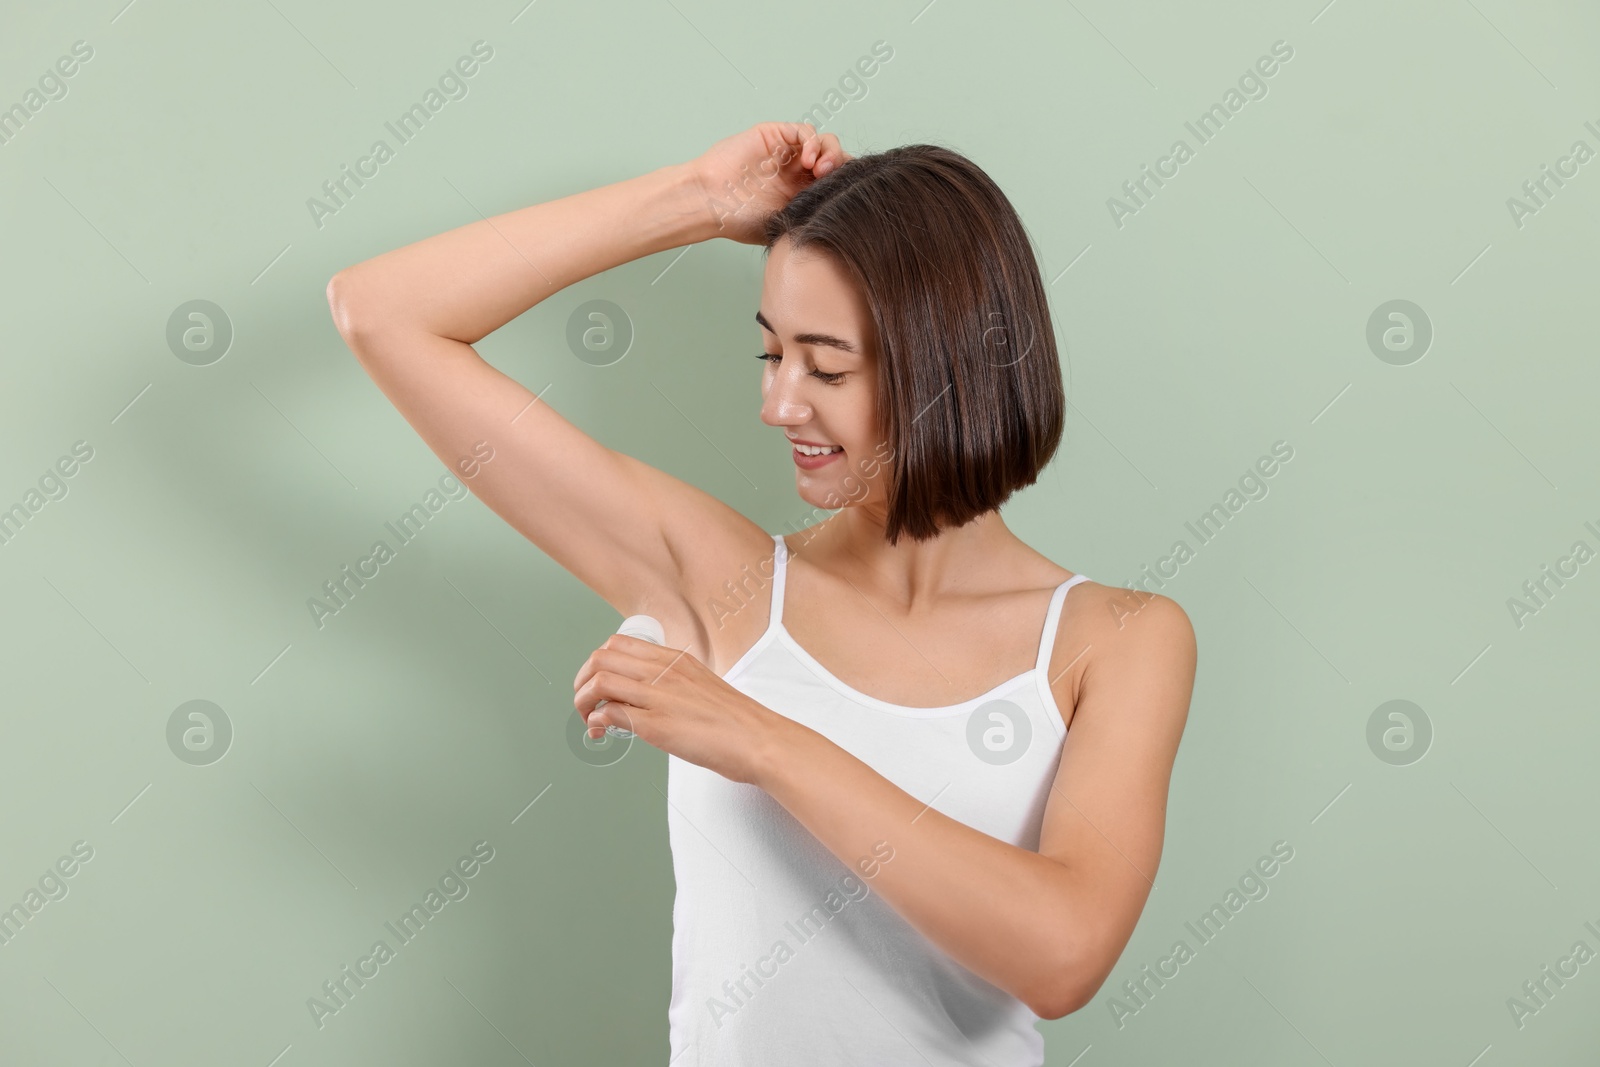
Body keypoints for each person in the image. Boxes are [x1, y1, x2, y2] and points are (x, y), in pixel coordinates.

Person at [326, 121, 1196, 1066]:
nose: (780, 404)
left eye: (826, 366)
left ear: (949, 364)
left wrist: (759, 739)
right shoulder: (721, 584)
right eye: (770, 354)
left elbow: (1063, 955)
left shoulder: (1116, 639)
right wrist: (696, 200)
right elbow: (381, 311)